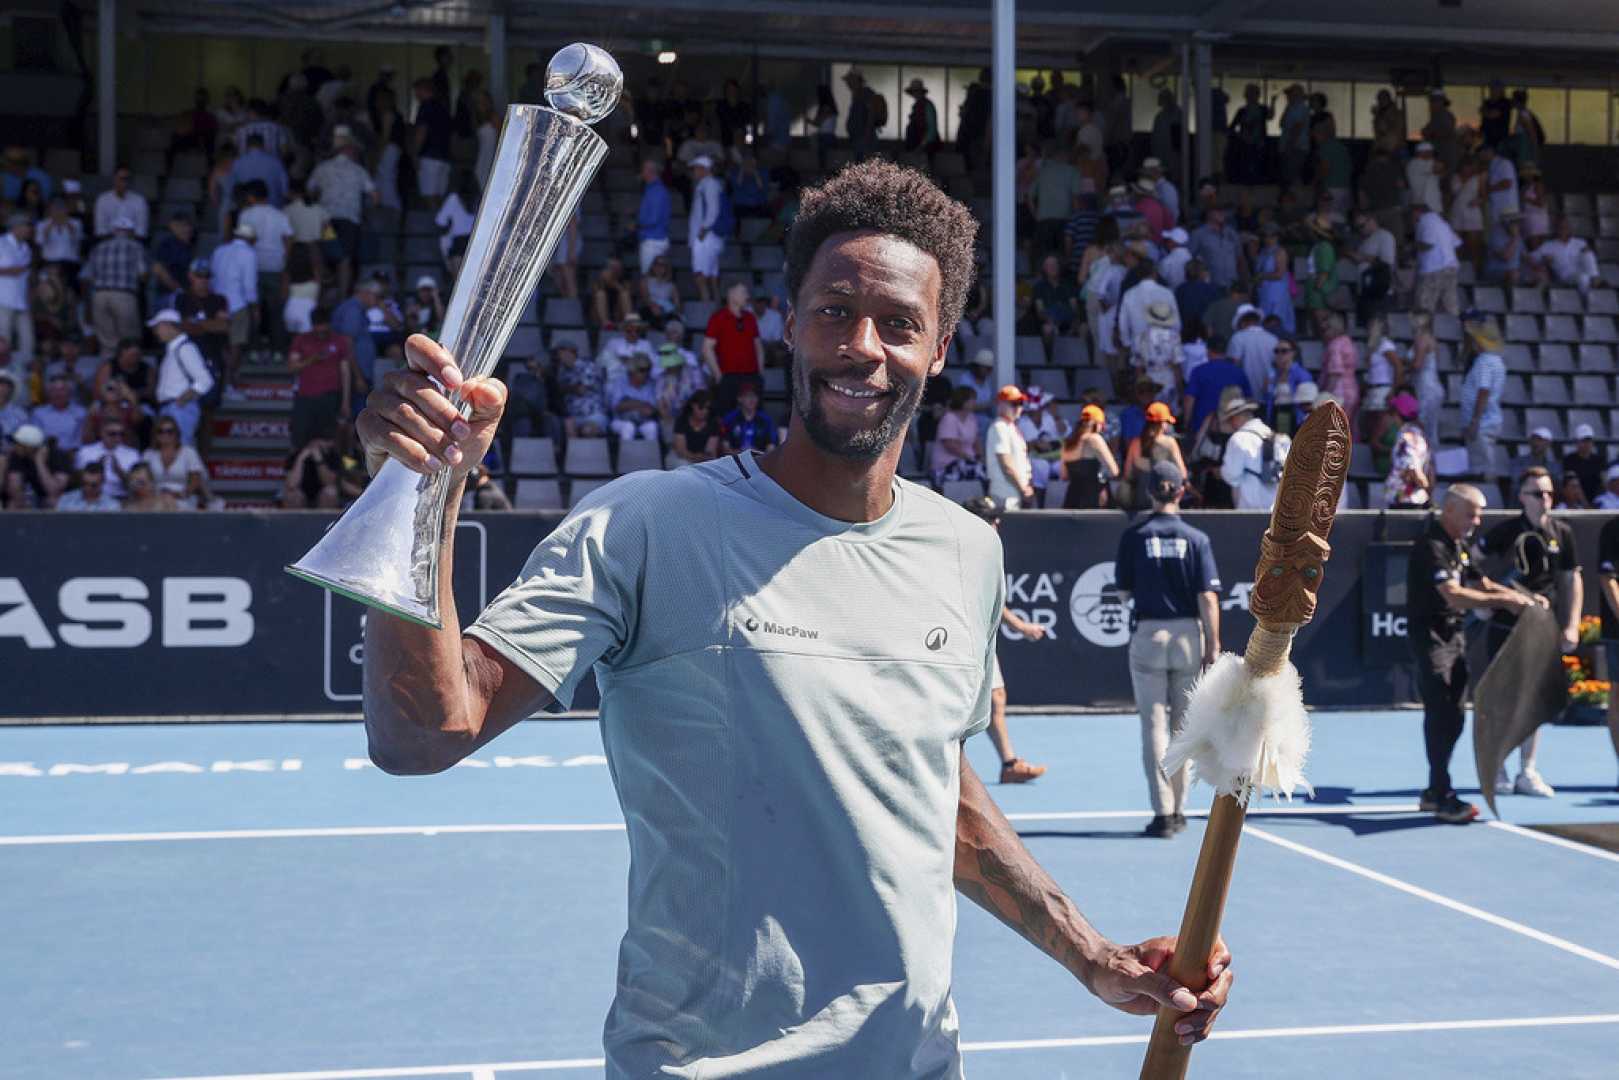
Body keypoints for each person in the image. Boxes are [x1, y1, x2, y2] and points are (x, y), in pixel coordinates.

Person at [351, 159, 1233, 1073]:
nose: (862, 345)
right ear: (789, 326)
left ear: (937, 347)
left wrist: (1089, 954)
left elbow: (937, 790)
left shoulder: (967, 550)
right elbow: (423, 733)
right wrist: (419, 486)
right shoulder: (647, 523)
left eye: (899, 324)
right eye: (834, 311)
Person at [1406, 485, 1538, 824]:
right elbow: (1453, 594)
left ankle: (1435, 791)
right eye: (1471, 514)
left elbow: (1483, 584)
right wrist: (1506, 602)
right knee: (1441, 713)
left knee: (1455, 715)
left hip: (1455, 636)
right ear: (1449, 510)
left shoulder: (1457, 546)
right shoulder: (1431, 546)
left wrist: (1523, 598)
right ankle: (1440, 792)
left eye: (1479, 514)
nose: (1477, 521)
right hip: (1431, 638)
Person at [1116, 460, 1221, 837]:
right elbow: (1207, 596)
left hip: (1148, 632)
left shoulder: (1134, 535)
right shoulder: (1196, 539)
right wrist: (1213, 643)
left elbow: (1125, 591)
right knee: (1183, 726)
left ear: (1149, 492)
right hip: (1186, 636)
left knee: (1154, 725)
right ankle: (1179, 809)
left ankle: (1162, 811)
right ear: (1181, 490)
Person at [1477, 467, 1581, 798]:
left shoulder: (1562, 532)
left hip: (1543, 627)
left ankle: (1527, 771)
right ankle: (1498, 769)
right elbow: (1472, 566)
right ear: (1522, 497)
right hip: (1506, 626)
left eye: (1550, 493)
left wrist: (1572, 623)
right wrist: (1491, 598)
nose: (1545, 499)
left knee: (1534, 699)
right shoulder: (1505, 532)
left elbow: (1570, 579)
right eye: (1537, 493)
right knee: (1502, 698)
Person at [959, 495, 1049, 784]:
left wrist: (1020, 627)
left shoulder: (987, 550)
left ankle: (1009, 764)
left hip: (981, 637)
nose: (997, 523)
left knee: (995, 697)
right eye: (991, 518)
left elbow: (993, 601)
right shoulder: (962, 550)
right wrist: (1022, 627)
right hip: (960, 638)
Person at [288, 306, 353, 450]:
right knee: (300, 439)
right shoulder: (301, 340)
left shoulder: (339, 341)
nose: (321, 331)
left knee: (327, 441)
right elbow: (292, 367)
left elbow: (345, 373)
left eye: (324, 327)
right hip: (304, 397)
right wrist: (312, 359)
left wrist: (345, 402)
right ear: (313, 325)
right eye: (318, 327)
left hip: (330, 397)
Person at [148, 308, 216, 445]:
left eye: (158, 327)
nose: (156, 332)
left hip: (179, 408)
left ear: (168, 325)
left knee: (180, 449)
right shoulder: (174, 348)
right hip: (171, 407)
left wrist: (183, 399)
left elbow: (205, 380)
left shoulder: (185, 348)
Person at [1219, 397, 1288, 512]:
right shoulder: (1281, 438)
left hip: (1250, 510)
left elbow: (1231, 475)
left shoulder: (1238, 438)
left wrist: (1220, 472)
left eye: (1230, 420)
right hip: (1277, 510)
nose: (1231, 425)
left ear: (1236, 418)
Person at [1459, 319, 1507, 480]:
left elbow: (1483, 391)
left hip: (1482, 423)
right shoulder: (1497, 361)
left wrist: (1474, 421)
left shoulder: (1484, 362)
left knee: (1481, 468)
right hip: (1488, 419)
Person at [1121, 401, 1187, 513]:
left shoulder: (1135, 443)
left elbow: (1127, 474)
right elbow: (1182, 473)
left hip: (1139, 500)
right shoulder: (1169, 443)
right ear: (1163, 424)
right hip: (1163, 502)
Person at [1059, 403, 1119, 508]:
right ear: (1097, 423)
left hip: (1072, 498)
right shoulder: (1094, 438)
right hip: (1094, 498)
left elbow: (1064, 476)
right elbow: (1114, 471)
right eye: (1102, 425)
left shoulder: (1067, 443)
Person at [986, 385, 1033, 510]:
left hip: (1015, 493)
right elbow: (1007, 466)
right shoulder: (999, 427)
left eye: (1021, 403)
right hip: (1005, 494)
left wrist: (1026, 487)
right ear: (1001, 405)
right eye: (1014, 403)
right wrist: (1023, 489)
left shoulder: (1011, 427)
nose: (1018, 407)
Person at [1412, 202, 1463, 316]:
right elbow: (1457, 243)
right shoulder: (1441, 222)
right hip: (1451, 267)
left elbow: (1428, 244)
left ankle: (1424, 333)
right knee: (1450, 306)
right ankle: (1453, 331)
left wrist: (1412, 247)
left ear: (1417, 212)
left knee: (1423, 308)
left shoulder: (1425, 220)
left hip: (1433, 270)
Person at [688, 156, 726, 303]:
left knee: (700, 274)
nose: (694, 171)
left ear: (704, 169)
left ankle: (706, 307)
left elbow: (713, 210)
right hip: (708, 236)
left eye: (697, 168)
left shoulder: (709, 184)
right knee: (711, 275)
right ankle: (713, 306)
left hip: (706, 236)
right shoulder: (708, 184)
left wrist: (703, 230)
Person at [930, 385, 984, 487]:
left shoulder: (971, 418)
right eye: (971, 399)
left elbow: (976, 441)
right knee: (976, 471)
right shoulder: (949, 418)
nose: (974, 402)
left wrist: (979, 456)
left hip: (967, 462)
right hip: (946, 465)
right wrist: (969, 458)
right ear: (962, 400)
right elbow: (950, 445)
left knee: (982, 470)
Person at [1385, 395, 1432, 510]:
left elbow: (1412, 467)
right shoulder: (1417, 434)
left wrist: (1424, 486)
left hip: (1405, 501)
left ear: (1397, 414)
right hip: (1411, 499)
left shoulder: (1407, 436)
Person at [720, 379, 778, 453]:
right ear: (739, 398)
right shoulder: (729, 419)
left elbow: (771, 446)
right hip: (734, 460)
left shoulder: (766, 420)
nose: (752, 399)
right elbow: (725, 447)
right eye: (748, 396)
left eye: (754, 396)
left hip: (759, 460)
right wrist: (742, 454)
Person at [634, 160, 672, 275]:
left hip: (654, 241)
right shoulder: (652, 189)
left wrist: (637, 224)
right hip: (653, 239)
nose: (642, 173)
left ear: (650, 172)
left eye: (644, 170)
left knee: (650, 277)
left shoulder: (657, 191)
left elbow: (654, 218)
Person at [670, 388, 721, 465]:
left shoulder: (713, 424)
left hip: (702, 459)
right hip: (681, 457)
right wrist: (695, 457)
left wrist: (702, 458)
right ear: (693, 405)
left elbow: (710, 452)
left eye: (707, 408)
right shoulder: (682, 421)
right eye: (701, 407)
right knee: (682, 464)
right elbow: (680, 451)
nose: (704, 411)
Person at [1563, 422, 1604, 504]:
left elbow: (1603, 482)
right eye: (1583, 441)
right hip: (1576, 500)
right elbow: (1571, 483)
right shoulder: (1569, 460)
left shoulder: (1599, 460)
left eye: (1588, 440)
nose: (1586, 444)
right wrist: (1586, 505)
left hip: (1596, 499)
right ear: (1576, 442)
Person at [56, 462, 121, 512]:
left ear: (102, 482)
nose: (87, 488)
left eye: (93, 485)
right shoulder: (66, 500)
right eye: (84, 484)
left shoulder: (112, 505)